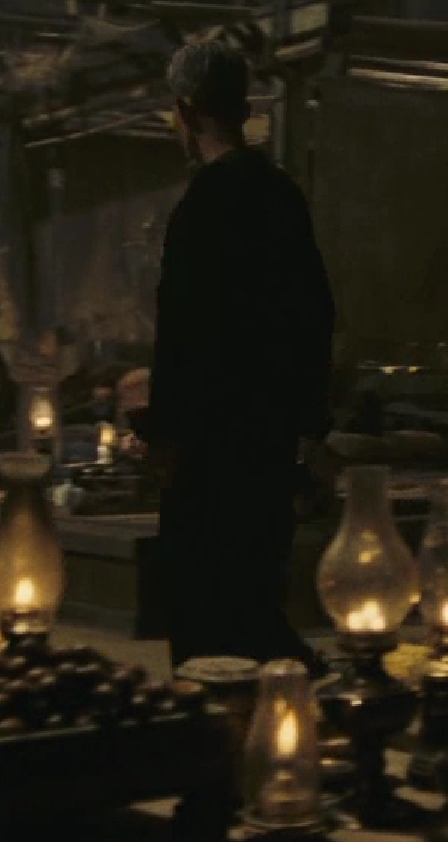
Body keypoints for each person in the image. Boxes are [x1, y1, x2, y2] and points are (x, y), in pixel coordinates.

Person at [142, 40, 338, 672]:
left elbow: (183, 333)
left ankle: (223, 714)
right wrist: (309, 425)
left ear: (185, 111)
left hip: (209, 446)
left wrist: (165, 435)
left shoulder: (200, 207)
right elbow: (314, 315)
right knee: (255, 592)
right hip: (268, 440)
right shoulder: (281, 195)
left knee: (203, 607)